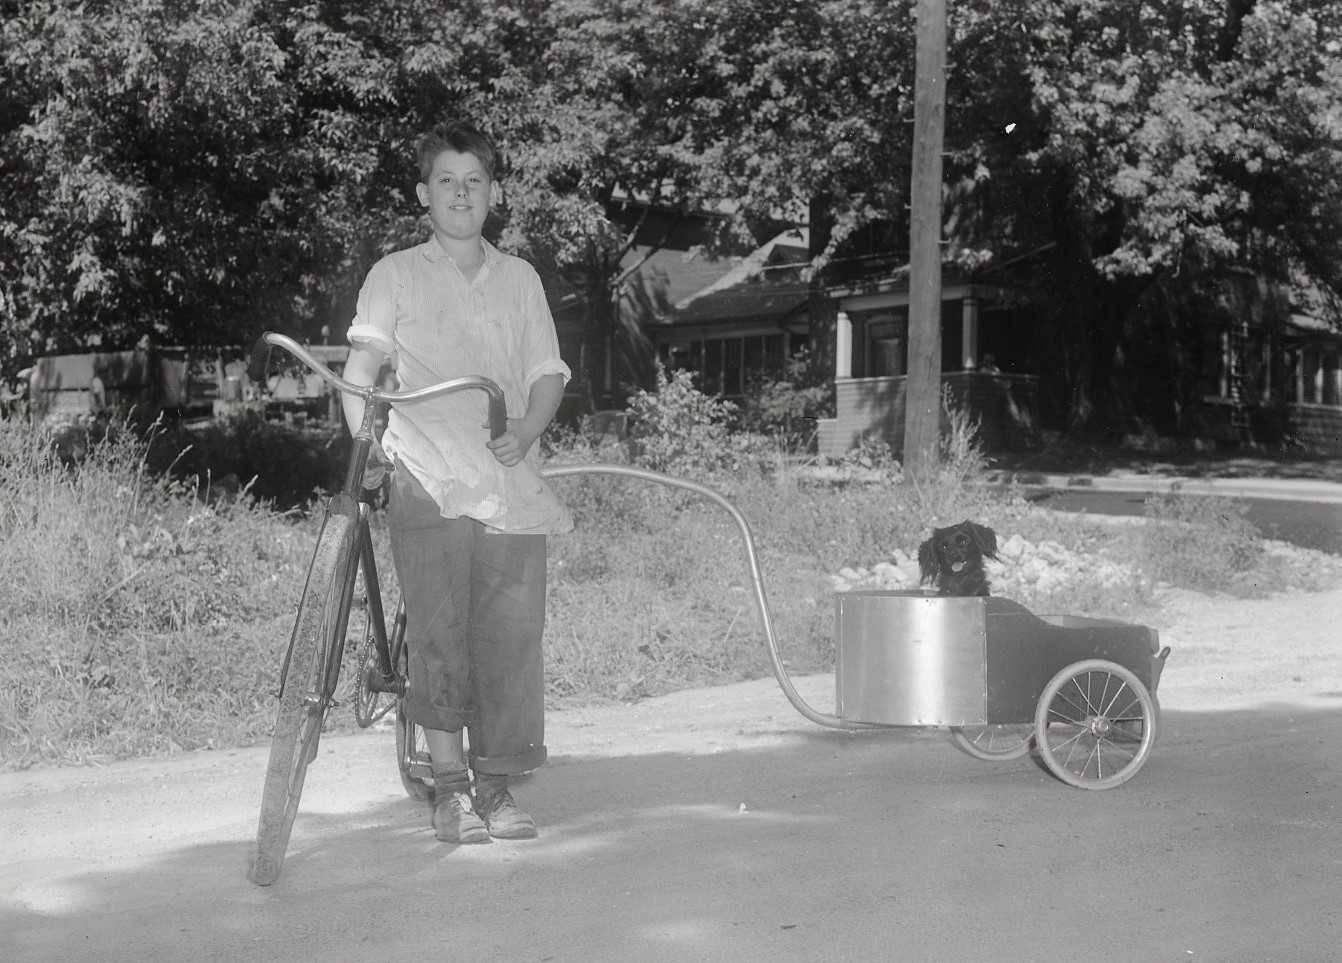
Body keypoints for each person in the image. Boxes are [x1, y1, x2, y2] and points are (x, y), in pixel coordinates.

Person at [341, 120, 572, 844]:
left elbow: (545, 374)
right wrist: (366, 443)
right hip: (424, 472)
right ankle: (449, 789)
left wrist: (528, 429)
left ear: (494, 192)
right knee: (439, 634)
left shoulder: (520, 278)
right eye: (447, 180)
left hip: (507, 479)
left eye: (474, 181)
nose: (461, 193)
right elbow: (360, 374)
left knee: (509, 635)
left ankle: (497, 787)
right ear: (423, 193)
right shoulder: (396, 274)